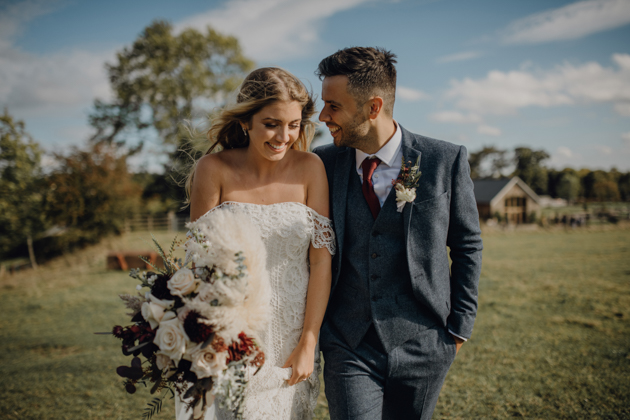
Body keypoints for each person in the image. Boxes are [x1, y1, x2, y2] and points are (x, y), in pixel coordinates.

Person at [313, 47, 483, 420]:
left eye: (333, 106)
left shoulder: (442, 159)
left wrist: (458, 331)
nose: (323, 116)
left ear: (373, 107)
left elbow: (467, 244)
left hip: (425, 342)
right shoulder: (322, 164)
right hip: (348, 342)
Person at [180, 67, 335, 420]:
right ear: (246, 121)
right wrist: (212, 335)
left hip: (291, 337)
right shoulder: (213, 169)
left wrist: (309, 341)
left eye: (294, 125)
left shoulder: (311, 168)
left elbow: (321, 262)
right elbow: (197, 263)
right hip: (230, 331)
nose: (285, 136)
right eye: (271, 124)